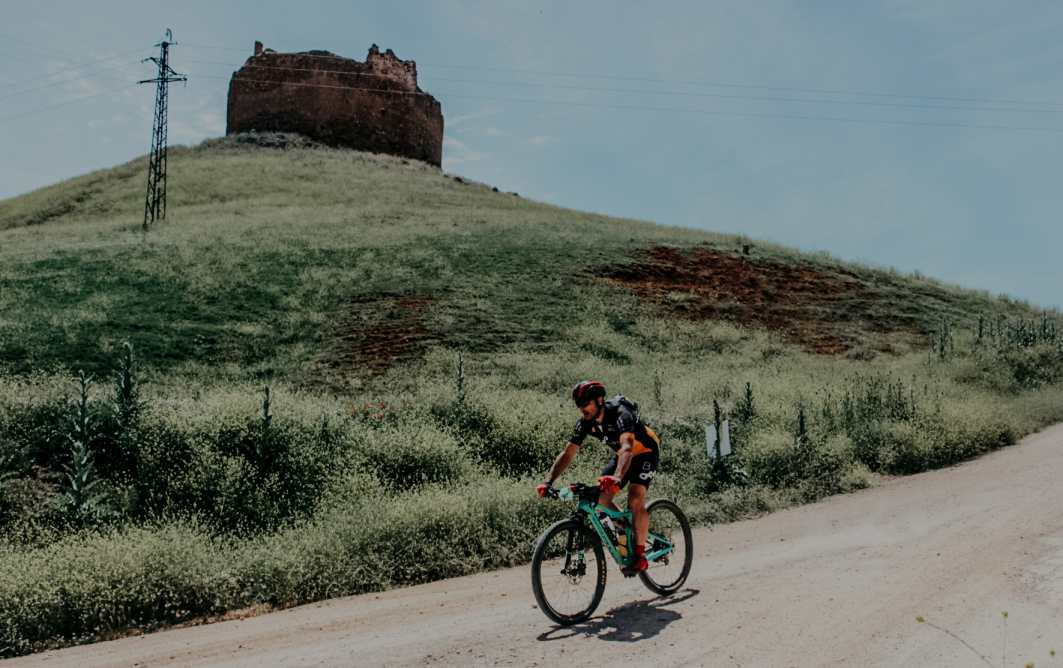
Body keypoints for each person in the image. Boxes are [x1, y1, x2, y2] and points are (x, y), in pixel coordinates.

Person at [537, 380, 661, 574]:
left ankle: (639, 555)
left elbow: (628, 446)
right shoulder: (586, 423)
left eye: (585, 403)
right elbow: (568, 453)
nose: (581, 409)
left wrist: (618, 477)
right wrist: (548, 481)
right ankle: (624, 526)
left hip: (645, 452)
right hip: (623, 456)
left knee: (635, 498)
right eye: (578, 404)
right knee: (601, 499)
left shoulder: (621, 414)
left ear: (599, 400)